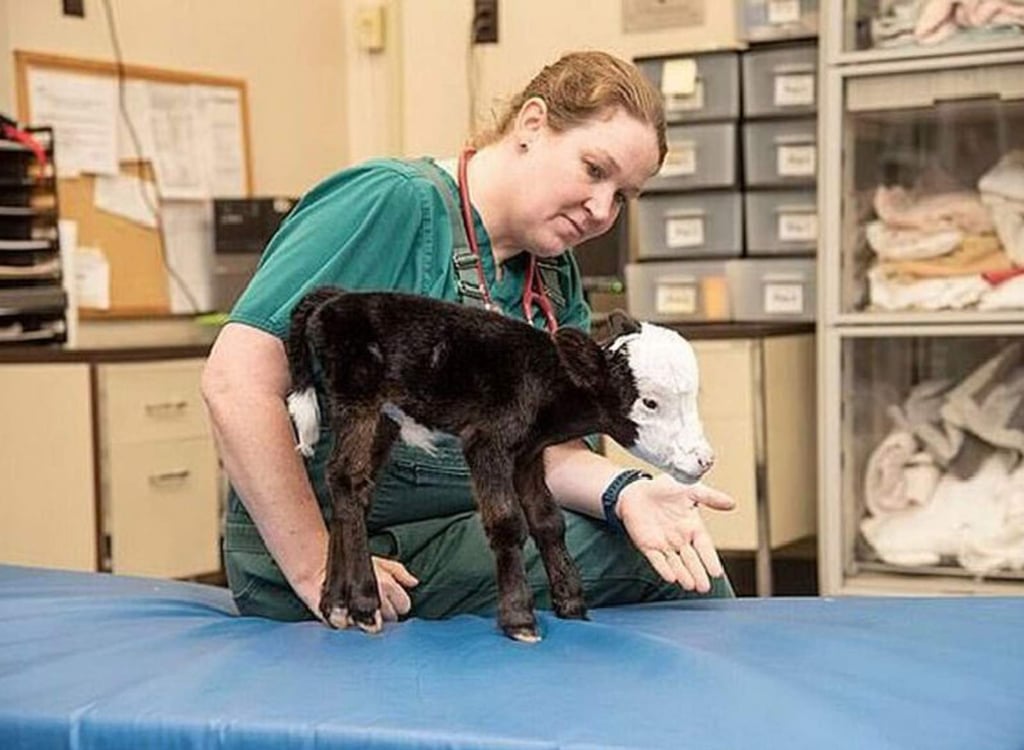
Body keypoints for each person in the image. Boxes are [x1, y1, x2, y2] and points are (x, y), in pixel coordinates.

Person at [201, 50, 737, 625]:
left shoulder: (550, 271)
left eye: (624, 196)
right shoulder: (389, 201)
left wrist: (627, 491)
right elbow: (234, 384)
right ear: (532, 125)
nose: (602, 210)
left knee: (669, 545)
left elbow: (549, 451)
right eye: (594, 170)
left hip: (453, 528)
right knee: (667, 577)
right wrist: (316, 564)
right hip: (340, 547)